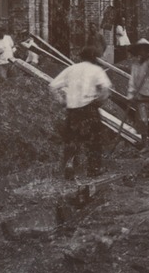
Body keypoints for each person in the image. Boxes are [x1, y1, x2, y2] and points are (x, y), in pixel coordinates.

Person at [48, 45, 113, 180]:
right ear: (95, 58)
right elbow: (106, 90)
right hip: (89, 109)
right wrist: (98, 102)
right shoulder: (96, 70)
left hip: (73, 111)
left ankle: (69, 167)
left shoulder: (71, 69)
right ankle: (94, 169)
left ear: (81, 57)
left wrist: (62, 101)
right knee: (94, 140)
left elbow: (52, 86)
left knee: (72, 140)